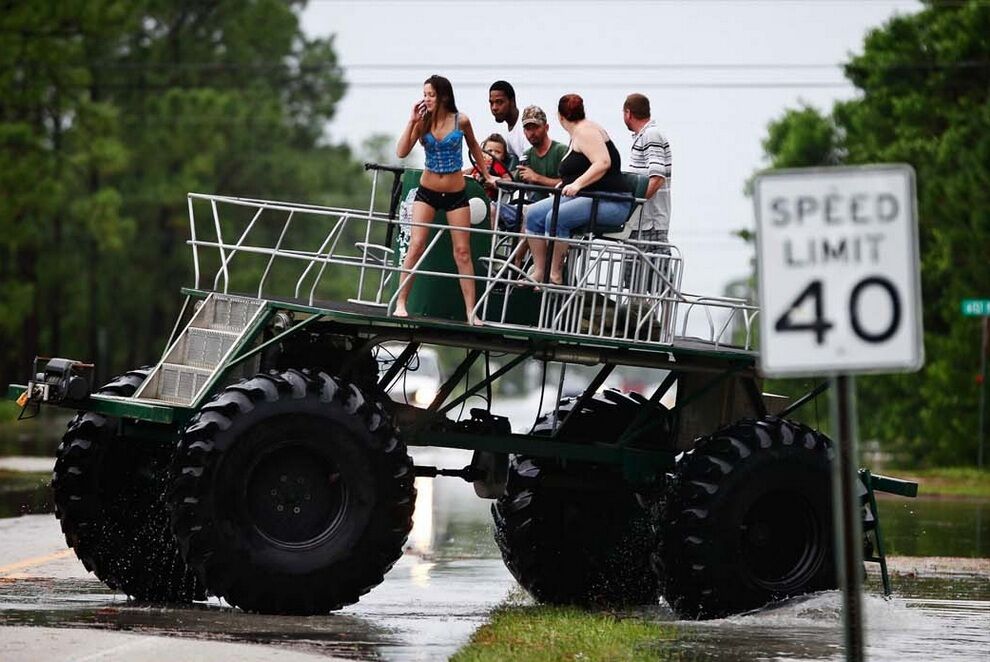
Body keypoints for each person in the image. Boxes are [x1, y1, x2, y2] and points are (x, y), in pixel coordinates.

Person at [395, 74, 496, 325]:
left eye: (430, 95)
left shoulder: (461, 120)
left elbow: (474, 147)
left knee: (462, 251)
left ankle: (471, 311)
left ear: (443, 96)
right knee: (416, 244)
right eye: (425, 94)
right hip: (427, 192)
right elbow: (401, 151)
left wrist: (486, 175)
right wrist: (411, 121)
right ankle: (401, 302)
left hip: (455, 193)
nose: (426, 99)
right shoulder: (423, 121)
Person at [524, 94, 632, 286]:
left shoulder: (586, 131)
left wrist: (577, 184)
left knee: (555, 217)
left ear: (559, 116)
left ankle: (555, 274)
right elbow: (584, 165)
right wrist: (566, 183)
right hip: (590, 196)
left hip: (612, 201)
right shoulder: (577, 133)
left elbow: (603, 162)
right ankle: (540, 270)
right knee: (532, 215)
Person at [497, 104, 567, 230]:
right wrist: (489, 177)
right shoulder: (527, 155)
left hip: (554, 211)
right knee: (492, 209)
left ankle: (520, 249)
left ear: (546, 127)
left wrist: (537, 178)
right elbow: (513, 180)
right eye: (528, 129)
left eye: (535, 128)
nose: (531, 133)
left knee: (530, 217)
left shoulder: (560, 151)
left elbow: (568, 185)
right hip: (528, 207)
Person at [622, 93, 672, 246]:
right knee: (651, 269)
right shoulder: (645, 136)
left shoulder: (651, 135)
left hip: (650, 224)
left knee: (654, 269)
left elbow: (657, 178)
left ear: (628, 113)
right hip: (642, 224)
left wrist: (634, 205)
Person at [488, 80, 527, 164]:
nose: (494, 108)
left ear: (512, 101)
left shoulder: (526, 127)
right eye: (491, 103)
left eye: (499, 102)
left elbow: (528, 166)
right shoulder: (507, 131)